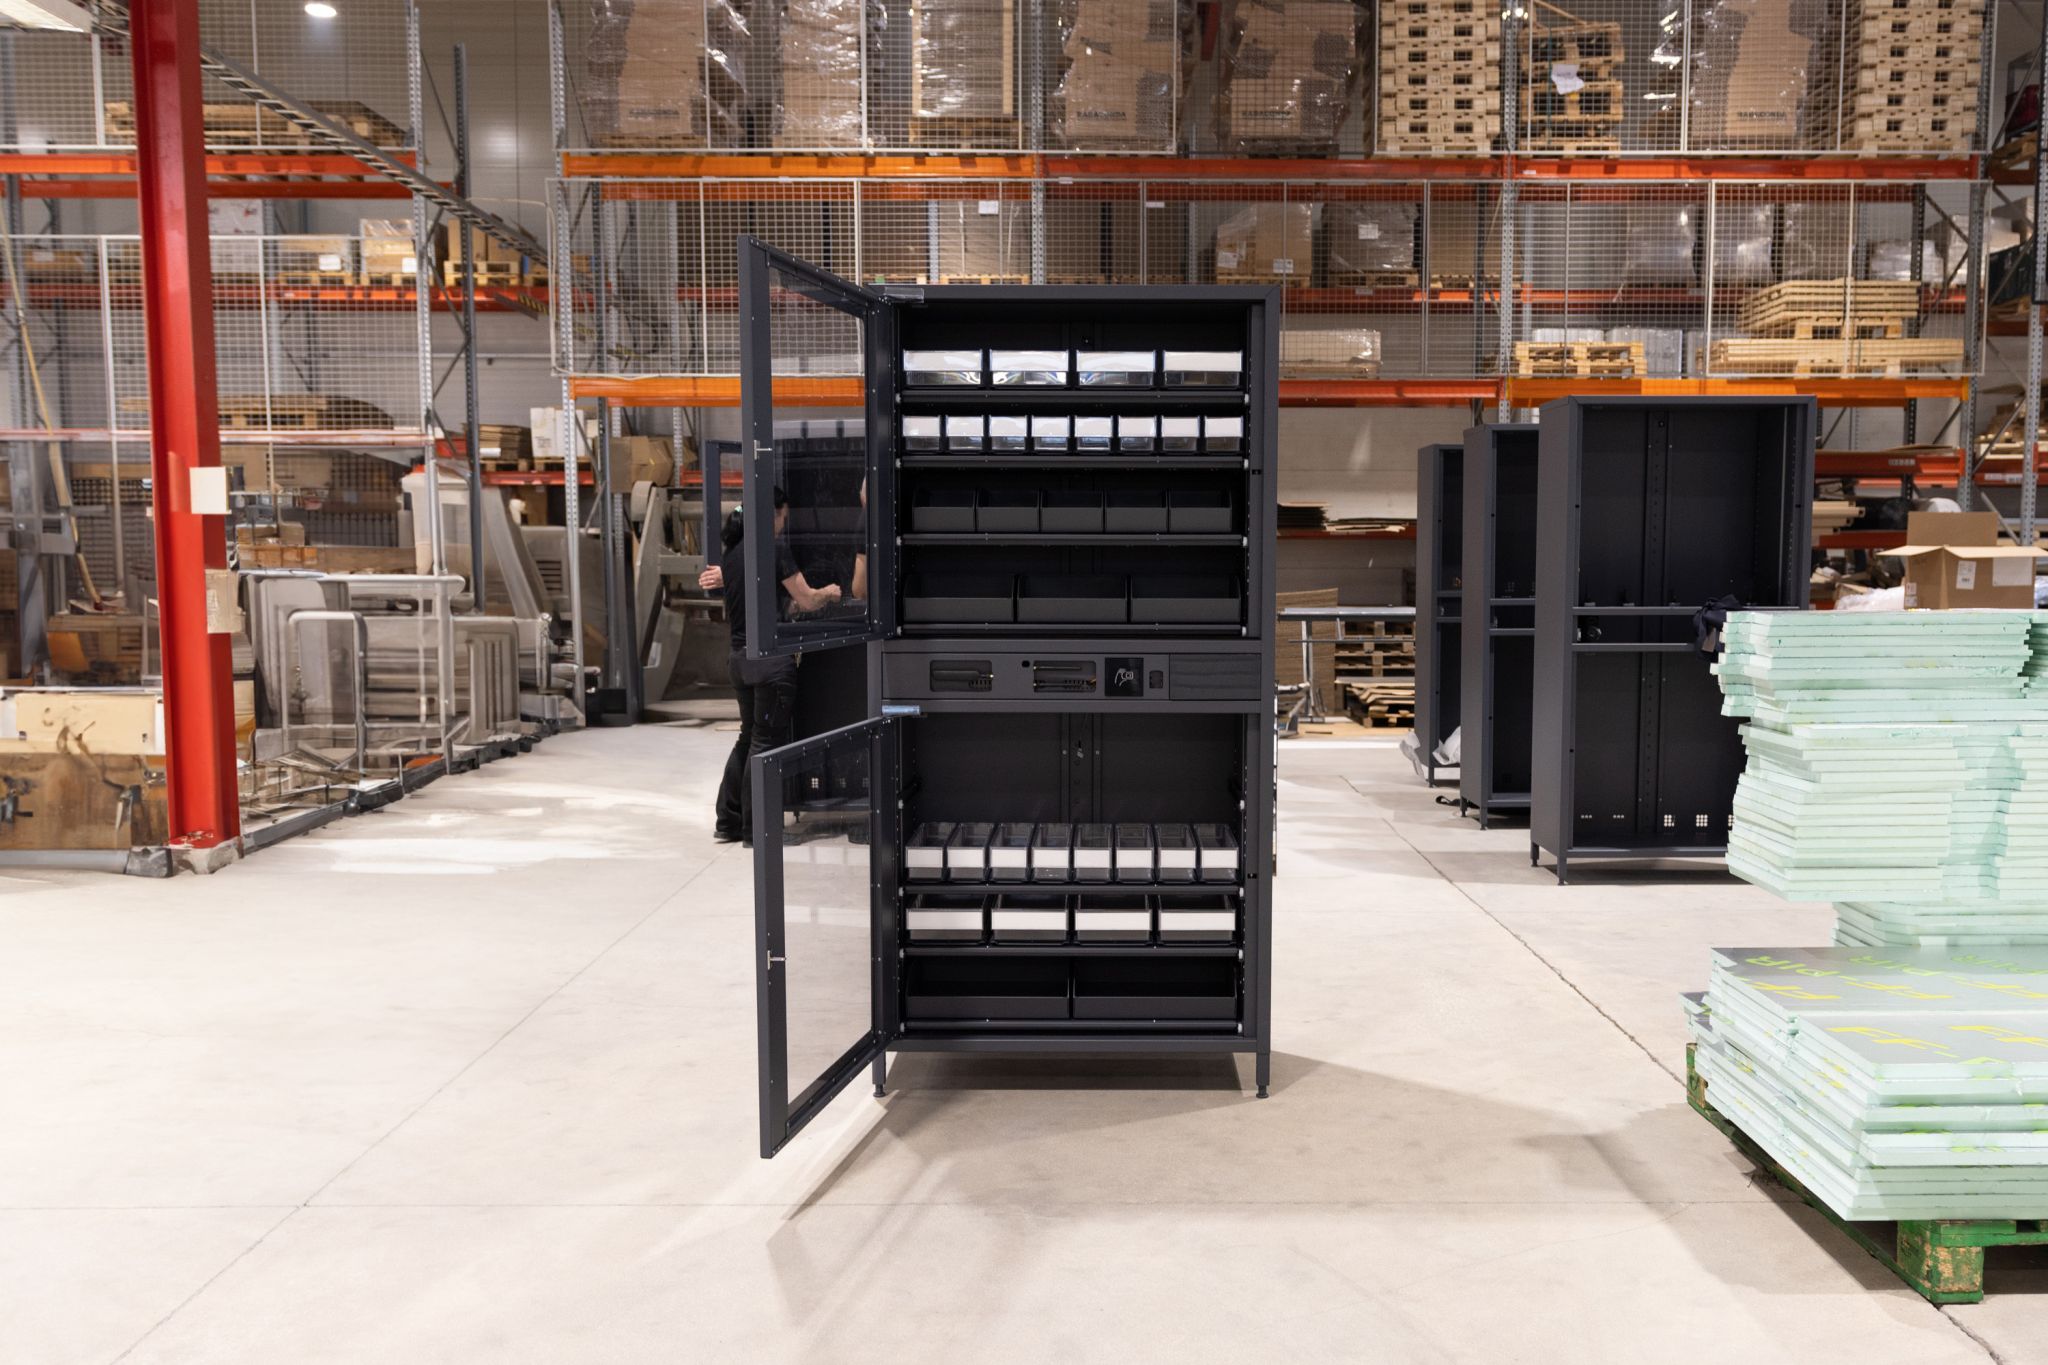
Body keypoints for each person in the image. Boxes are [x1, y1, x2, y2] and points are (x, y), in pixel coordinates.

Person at [703, 490, 842, 844]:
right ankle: (758, 831)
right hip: (770, 664)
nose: (785, 523)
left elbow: (769, 604)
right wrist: (831, 592)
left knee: (747, 739)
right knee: (764, 746)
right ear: (774, 515)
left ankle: (728, 821)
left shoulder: (734, 553)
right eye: (784, 516)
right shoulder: (773, 548)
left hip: (739, 660)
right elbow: (807, 600)